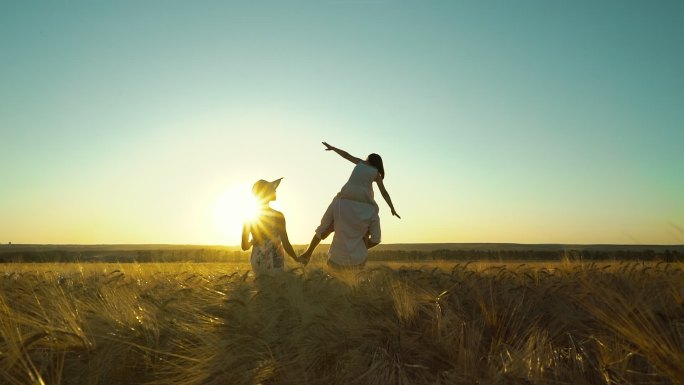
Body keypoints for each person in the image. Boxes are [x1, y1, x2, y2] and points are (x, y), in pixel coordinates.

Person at [299, 142, 400, 268]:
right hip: (363, 201)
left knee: (323, 226)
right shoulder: (376, 174)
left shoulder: (361, 163)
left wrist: (333, 148)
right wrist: (391, 207)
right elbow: (384, 192)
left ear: (369, 159)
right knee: (362, 228)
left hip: (344, 197)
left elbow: (346, 155)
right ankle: (358, 248)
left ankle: (308, 253)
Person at [241, 178, 300, 274]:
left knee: (262, 287)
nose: (275, 191)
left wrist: (252, 241)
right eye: (272, 189)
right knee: (275, 287)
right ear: (266, 193)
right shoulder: (278, 216)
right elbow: (286, 244)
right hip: (274, 258)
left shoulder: (249, 217)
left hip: (257, 259)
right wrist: (296, 258)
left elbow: (244, 246)